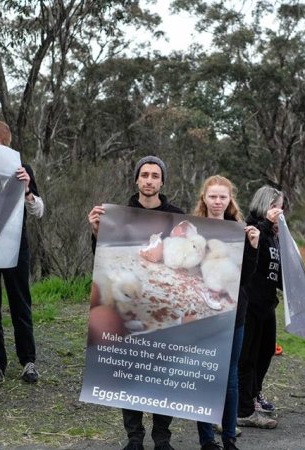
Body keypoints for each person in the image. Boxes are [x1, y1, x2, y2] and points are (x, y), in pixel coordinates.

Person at [88, 155, 182, 450]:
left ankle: (162, 438)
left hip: (165, 305)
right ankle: (134, 438)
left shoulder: (176, 216)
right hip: (128, 303)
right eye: (145, 175)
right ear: (136, 179)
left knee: (163, 374)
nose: (150, 180)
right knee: (131, 371)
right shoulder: (120, 215)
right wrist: (96, 232)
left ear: (162, 181)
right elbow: (104, 260)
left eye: (155, 175)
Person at [0, 120, 45, 385]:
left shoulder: (21, 169)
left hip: (16, 249)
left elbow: (39, 212)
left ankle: (28, 361)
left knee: (20, 304)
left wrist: (27, 190)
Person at [193, 175, 259, 450]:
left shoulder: (239, 230)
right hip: (201, 312)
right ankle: (207, 439)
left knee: (230, 378)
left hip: (234, 314)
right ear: (204, 199)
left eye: (223, 196)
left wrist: (254, 248)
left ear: (230, 199)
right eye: (213, 196)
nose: (218, 201)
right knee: (204, 375)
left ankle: (229, 437)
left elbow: (246, 278)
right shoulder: (194, 229)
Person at [236, 186, 284, 430]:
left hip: (268, 304)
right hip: (251, 304)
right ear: (266, 205)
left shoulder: (275, 233)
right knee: (248, 357)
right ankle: (243, 408)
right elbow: (249, 253)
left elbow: (278, 269)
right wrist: (267, 222)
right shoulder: (253, 228)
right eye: (277, 206)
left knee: (266, 352)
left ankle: (254, 394)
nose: (281, 211)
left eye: (282, 207)